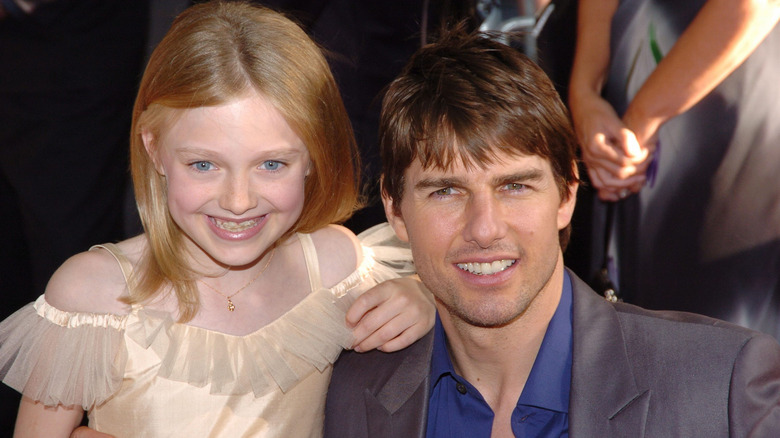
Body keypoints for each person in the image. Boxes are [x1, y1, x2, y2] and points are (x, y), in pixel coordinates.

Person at [0, 2, 435, 437]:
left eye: (271, 165)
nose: (239, 201)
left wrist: (425, 297)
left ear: (313, 157)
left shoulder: (336, 267)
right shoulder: (94, 297)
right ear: (154, 149)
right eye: (204, 165)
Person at [323, 29, 780, 437]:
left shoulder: (724, 387)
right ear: (395, 209)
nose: (484, 228)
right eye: (445, 191)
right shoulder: (345, 393)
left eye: (516, 186)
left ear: (566, 195)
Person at [568, 0, 780, 336]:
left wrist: (638, 123)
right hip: (628, 97)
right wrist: (584, 93)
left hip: (720, 110)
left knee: (721, 341)